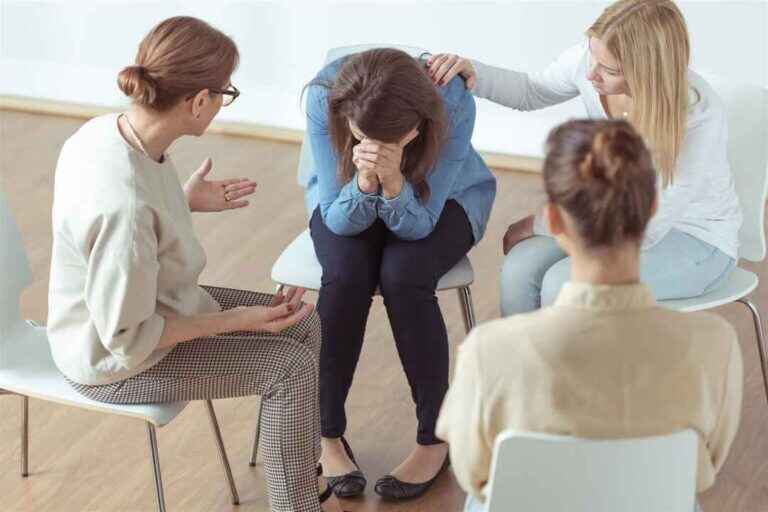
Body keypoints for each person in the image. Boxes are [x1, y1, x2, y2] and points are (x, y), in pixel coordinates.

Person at [46, 16, 343, 512]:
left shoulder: (109, 132)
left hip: (155, 304)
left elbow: (134, 239)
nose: (224, 103)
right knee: (288, 367)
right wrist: (234, 321)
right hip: (115, 359)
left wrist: (182, 201)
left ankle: (299, 478)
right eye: (225, 92)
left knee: (303, 323)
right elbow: (126, 336)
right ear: (197, 101)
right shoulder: (128, 206)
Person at [436, 119, 742, 512]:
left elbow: (474, 474)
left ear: (555, 220)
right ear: (651, 208)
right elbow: (704, 470)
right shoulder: (714, 344)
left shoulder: (487, 351)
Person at [428, 0, 742, 316]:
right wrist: (472, 72)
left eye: (610, 70)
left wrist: (542, 224)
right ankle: (522, 364)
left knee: (564, 285)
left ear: (648, 72)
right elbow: (530, 90)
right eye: (592, 55)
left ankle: (576, 365)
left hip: (695, 239)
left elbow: (648, 226)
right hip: (612, 219)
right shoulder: (592, 61)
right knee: (518, 269)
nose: (591, 74)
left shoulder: (698, 116)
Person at [303, 47, 496, 501]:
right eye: (364, 135)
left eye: (392, 138)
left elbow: (419, 224)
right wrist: (366, 181)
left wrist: (393, 183)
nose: (376, 145)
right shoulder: (323, 97)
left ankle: (435, 439)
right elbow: (337, 218)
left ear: (417, 126)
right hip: (342, 202)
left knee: (404, 273)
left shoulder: (450, 101)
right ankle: (326, 435)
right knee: (346, 272)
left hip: (445, 201)